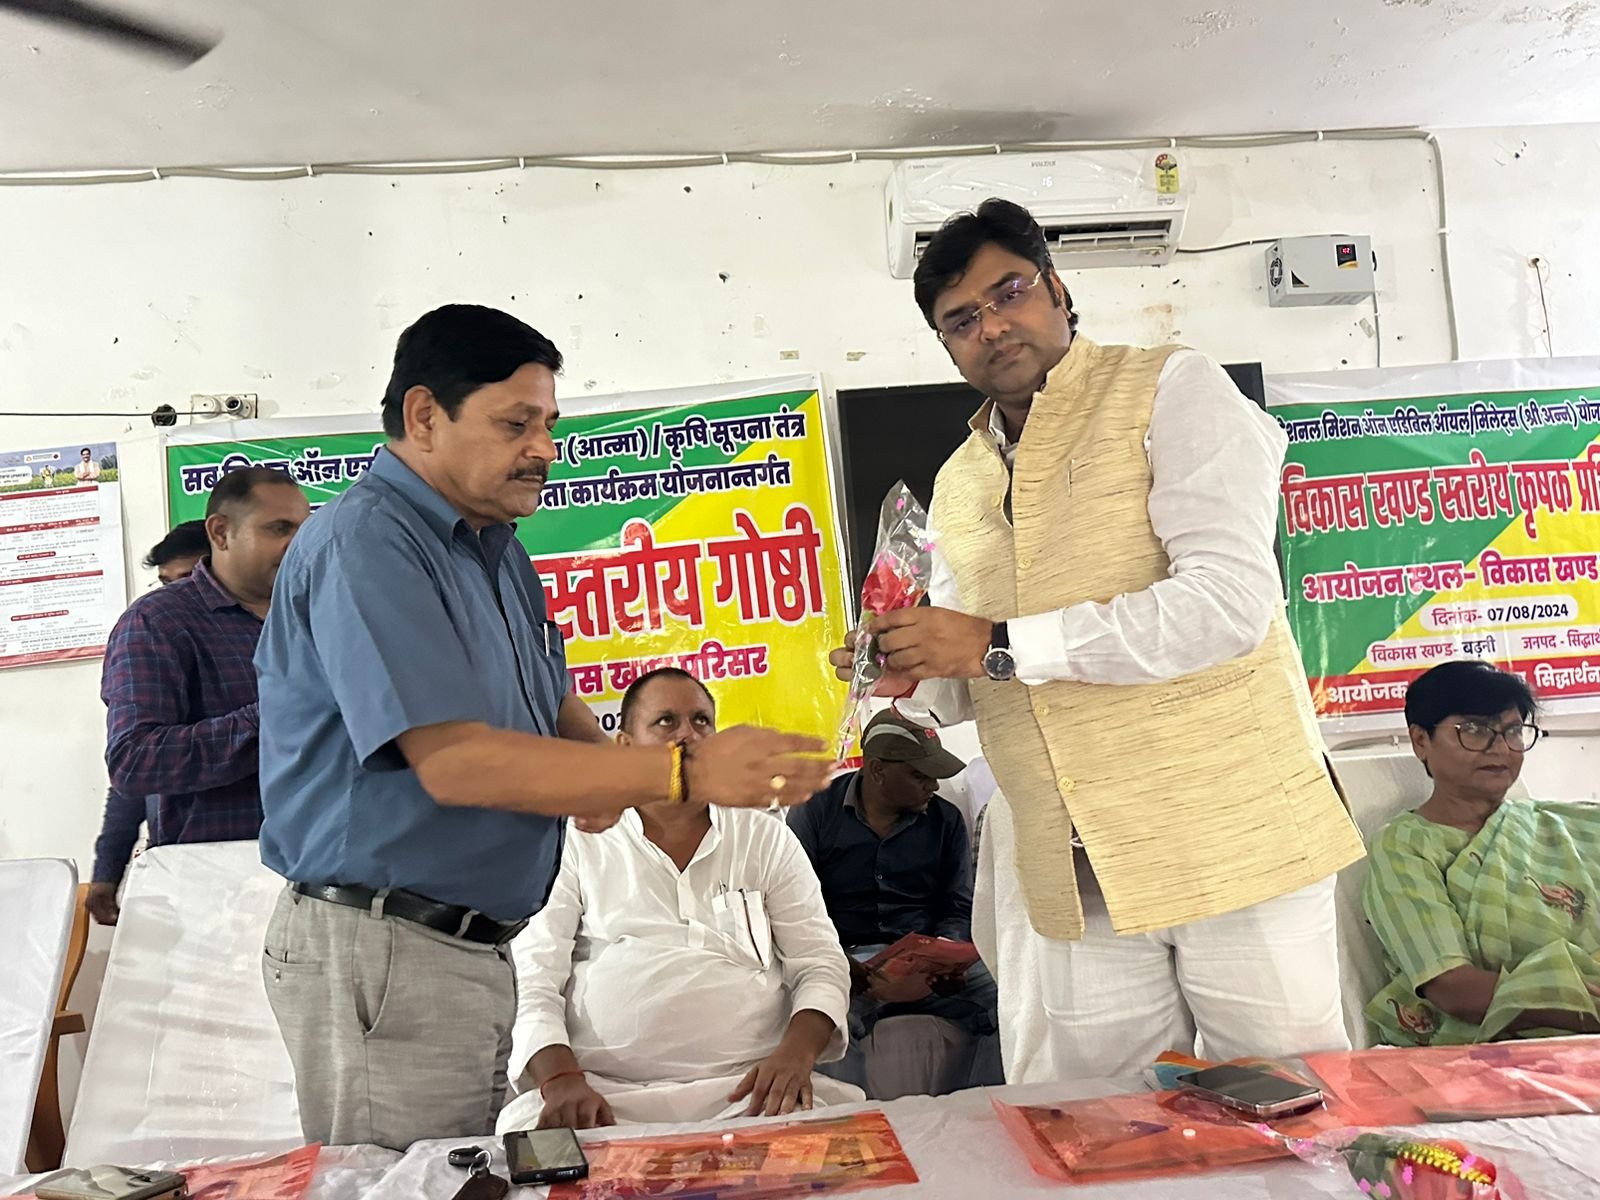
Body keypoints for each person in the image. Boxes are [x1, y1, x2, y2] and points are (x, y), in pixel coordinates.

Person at [255, 304, 829, 1152]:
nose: (544, 449)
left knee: (465, 1177)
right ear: (425, 416)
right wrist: (682, 774)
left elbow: (551, 702)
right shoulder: (368, 543)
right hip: (384, 944)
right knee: (403, 1185)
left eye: (550, 424)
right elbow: (453, 762)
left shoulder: (497, 552)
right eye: (515, 423)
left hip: (472, 945)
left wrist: (606, 779)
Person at [829, 199, 1364, 1082]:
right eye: (961, 320)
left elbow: (1227, 604)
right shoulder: (958, 481)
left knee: (1287, 1107)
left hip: (1231, 834)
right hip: (1072, 865)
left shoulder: (1171, 387)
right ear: (946, 346)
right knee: (1100, 1126)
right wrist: (912, 668)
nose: (991, 327)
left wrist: (992, 643)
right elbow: (977, 675)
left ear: (1058, 289)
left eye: (1009, 292)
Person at [500, 668, 858, 1133]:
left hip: (752, 1092)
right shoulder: (576, 839)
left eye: (702, 721)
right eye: (666, 721)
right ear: (625, 746)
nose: (688, 734)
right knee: (536, 1152)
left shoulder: (765, 838)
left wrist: (795, 1056)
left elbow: (820, 964)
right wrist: (562, 1080)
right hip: (604, 1096)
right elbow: (534, 978)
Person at [1364, 660, 1600, 1046]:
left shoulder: (1571, 826)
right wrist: (1580, 1008)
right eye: (1474, 730)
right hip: (1493, 1053)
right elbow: (1454, 989)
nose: (1501, 748)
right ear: (1421, 740)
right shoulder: (1405, 847)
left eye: (1513, 731)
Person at [101, 469, 308, 862]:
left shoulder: (322, 612)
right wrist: (280, 716)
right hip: (217, 874)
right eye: (280, 528)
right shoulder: (158, 622)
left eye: (305, 529)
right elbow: (134, 762)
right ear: (221, 533)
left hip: (329, 868)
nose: (298, 544)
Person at [788, 710, 997, 1050]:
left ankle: (995, 1087)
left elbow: (957, 906)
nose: (933, 785)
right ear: (877, 770)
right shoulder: (815, 811)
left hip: (925, 962)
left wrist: (946, 958)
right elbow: (796, 907)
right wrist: (839, 962)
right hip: (845, 959)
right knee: (823, 1017)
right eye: (920, 775)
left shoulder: (946, 820)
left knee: (1012, 998)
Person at [87, 519, 214, 926]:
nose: (176, 595)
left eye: (189, 579)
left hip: (264, 860)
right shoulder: (151, 633)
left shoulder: (265, 633)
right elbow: (134, 771)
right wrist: (107, 872)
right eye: (166, 583)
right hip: (180, 863)